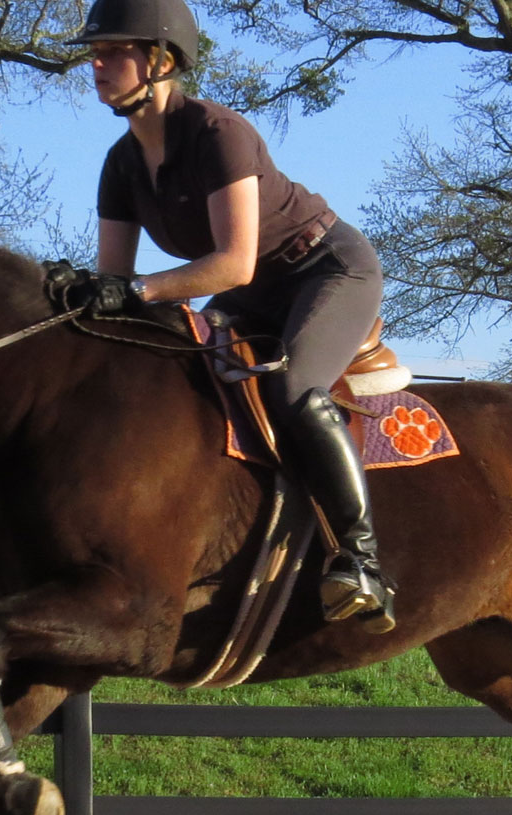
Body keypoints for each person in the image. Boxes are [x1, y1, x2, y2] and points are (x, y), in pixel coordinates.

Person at [60, 0, 395, 632]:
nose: (96, 64)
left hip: (325, 270)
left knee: (295, 389)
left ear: (160, 59)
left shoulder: (218, 133)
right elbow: (115, 280)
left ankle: (362, 561)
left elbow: (233, 264)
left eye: (112, 51)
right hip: (253, 292)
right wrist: (78, 294)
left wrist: (133, 293)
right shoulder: (120, 163)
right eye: (94, 52)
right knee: (186, 383)